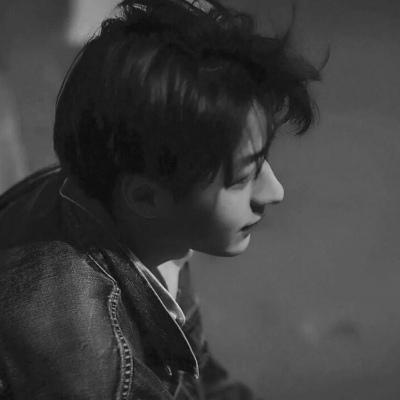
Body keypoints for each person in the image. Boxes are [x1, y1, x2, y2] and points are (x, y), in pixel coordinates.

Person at [0, 0, 321, 398]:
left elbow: (199, 374)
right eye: (241, 178)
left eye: (261, 161)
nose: (275, 192)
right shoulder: (97, 374)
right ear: (146, 197)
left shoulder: (123, 203)